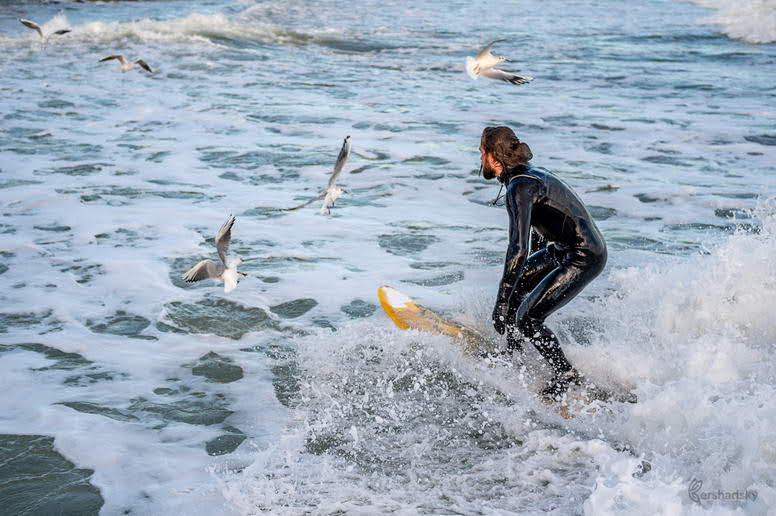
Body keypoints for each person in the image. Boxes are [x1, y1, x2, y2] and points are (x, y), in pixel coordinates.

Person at [479, 126, 608, 401]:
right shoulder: (526, 178)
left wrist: (501, 302)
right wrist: (522, 285)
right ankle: (511, 357)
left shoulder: (519, 186)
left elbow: (518, 250)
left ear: (494, 156)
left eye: (482, 152)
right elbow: (542, 226)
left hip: (585, 255)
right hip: (561, 249)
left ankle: (566, 377)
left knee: (528, 317)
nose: (480, 158)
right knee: (517, 294)